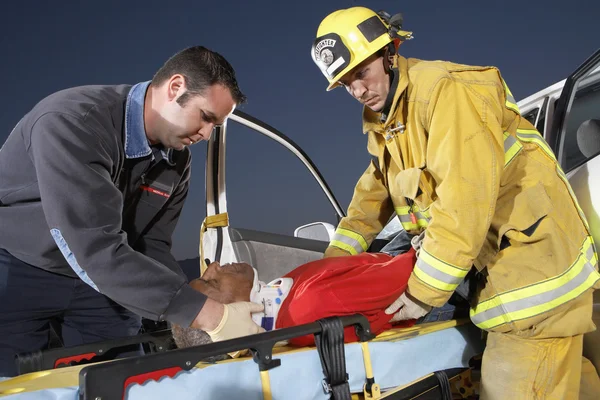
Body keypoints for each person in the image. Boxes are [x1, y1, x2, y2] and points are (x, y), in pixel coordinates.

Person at [309, 6, 600, 399]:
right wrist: (327, 273)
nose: (358, 90)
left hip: (533, 278)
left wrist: (421, 293)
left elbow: (463, 204)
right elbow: (368, 204)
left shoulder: (444, 92)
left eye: (361, 72)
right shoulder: (391, 125)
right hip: (510, 277)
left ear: (390, 53)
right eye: (346, 82)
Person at [0, 46, 263, 377]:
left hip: (106, 280)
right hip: (20, 268)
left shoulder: (176, 160)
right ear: (175, 87)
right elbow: (92, 248)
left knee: (129, 379)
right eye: (206, 117)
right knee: (16, 384)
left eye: (216, 126)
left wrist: (185, 313)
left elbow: (151, 244)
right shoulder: (73, 122)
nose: (206, 134)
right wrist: (206, 313)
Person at [172, 246, 421, 351]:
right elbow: (413, 271)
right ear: (234, 313)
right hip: (423, 285)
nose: (213, 265)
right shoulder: (312, 302)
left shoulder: (289, 307)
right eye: (211, 281)